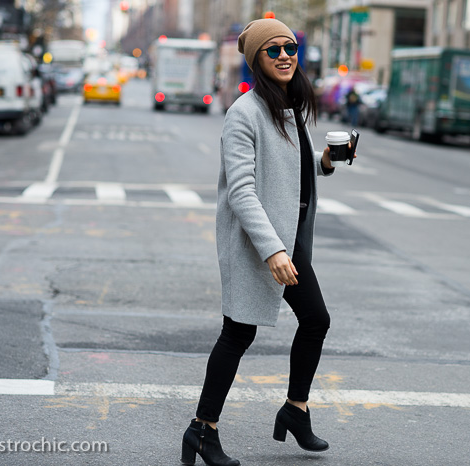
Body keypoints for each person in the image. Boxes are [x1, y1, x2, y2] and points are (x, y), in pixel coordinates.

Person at [180, 18, 353, 466]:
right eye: (272, 50)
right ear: (256, 60)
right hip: (257, 243)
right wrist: (272, 249)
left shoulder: (288, 107)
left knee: (316, 320)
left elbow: (287, 169)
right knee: (237, 333)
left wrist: (326, 161)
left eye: (289, 49)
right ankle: (203, 429)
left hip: (289, 242)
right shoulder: (245, 112)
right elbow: (243, 190)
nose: (283, 56)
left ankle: (296, 410)